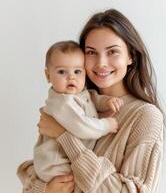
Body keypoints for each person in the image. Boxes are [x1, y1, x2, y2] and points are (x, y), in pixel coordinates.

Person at [17, 9, 165, 193]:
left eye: (112, 51)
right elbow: (40, 168)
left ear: (131, 56)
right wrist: (45, 189)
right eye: (91, 52)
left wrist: (65, 137)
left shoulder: (145, 117)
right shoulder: (74, 103)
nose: (101, 62)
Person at [34, 40, 123, 183]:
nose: (71, 77)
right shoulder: (63, 103)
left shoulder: (77, 94)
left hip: (67, 161)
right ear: (48, 75)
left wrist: (106, 101)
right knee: (90, 179)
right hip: (56, 165)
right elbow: (82, 126)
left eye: (77, 71)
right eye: (62, 71)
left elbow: (91, 100)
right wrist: (106, 125)